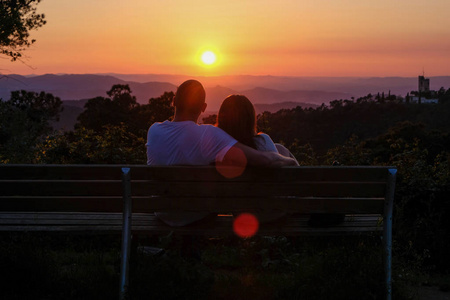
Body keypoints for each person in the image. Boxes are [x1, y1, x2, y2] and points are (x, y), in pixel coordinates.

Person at [146, 80, 296, 226]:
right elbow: (264, 160)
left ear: (173, 101)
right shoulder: (208, 135)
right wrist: (290, 161)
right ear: (203, 107)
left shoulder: (153, 130)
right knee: (280, 150)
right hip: (196, 215)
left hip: (162, 212)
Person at [217, 94, 299, 222]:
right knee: (282, 152)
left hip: (241, 215)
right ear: (250, 119)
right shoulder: (262, 141)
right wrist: (292, 162)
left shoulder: (218, 149)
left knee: (280, 148)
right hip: (273, 213)